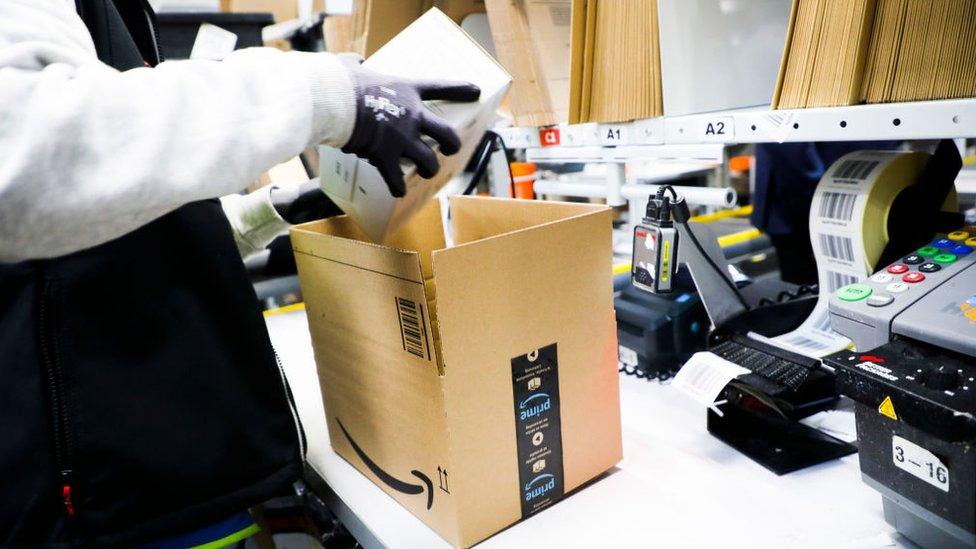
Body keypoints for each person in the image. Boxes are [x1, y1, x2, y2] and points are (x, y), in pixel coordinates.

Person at [0, 0, 479, 546]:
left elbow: (99, 225)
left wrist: (265, 213)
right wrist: (323, 96)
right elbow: (24, 158)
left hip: (168, 473)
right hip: (106, 500)